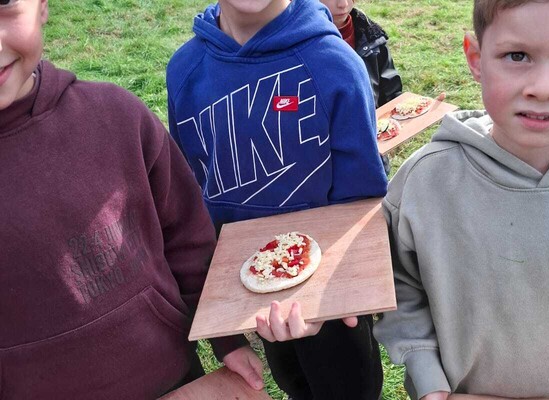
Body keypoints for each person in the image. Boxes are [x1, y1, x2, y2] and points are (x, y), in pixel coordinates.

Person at [0, 0, 316, 398]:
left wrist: (225, 339)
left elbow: (188, 238)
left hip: (174, 381)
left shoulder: (116, 117)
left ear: (42, 6)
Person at [373, 0, 549, 399]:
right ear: (476, 59)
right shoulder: (424, 184)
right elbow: (399, 285)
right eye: (518, 55)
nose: (544, 88)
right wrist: (430, 384)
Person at [166, 0, 388, 398]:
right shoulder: (184, 71)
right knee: (294, 384)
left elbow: (362, 203)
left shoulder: (336, 66)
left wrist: (333, 299)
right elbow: (191, 191)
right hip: (252, 291)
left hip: (333, 303)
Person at [319, 0, 402, 174]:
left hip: (372, 158)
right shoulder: (295, 44)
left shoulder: (373, 38)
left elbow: (392, 93)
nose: (343, 4)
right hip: (323, 165)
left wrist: (417, 110)